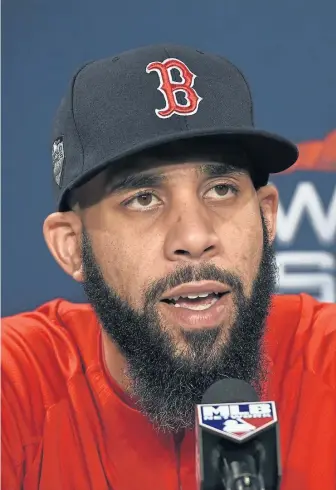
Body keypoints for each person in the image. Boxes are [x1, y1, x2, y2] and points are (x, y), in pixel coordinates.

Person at [2, 44, 335, 490]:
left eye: (220, 189)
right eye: (143, 199)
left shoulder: (325, 362)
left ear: (267, 216)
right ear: (72, 247)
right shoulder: (18, 384)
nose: (195, 237)